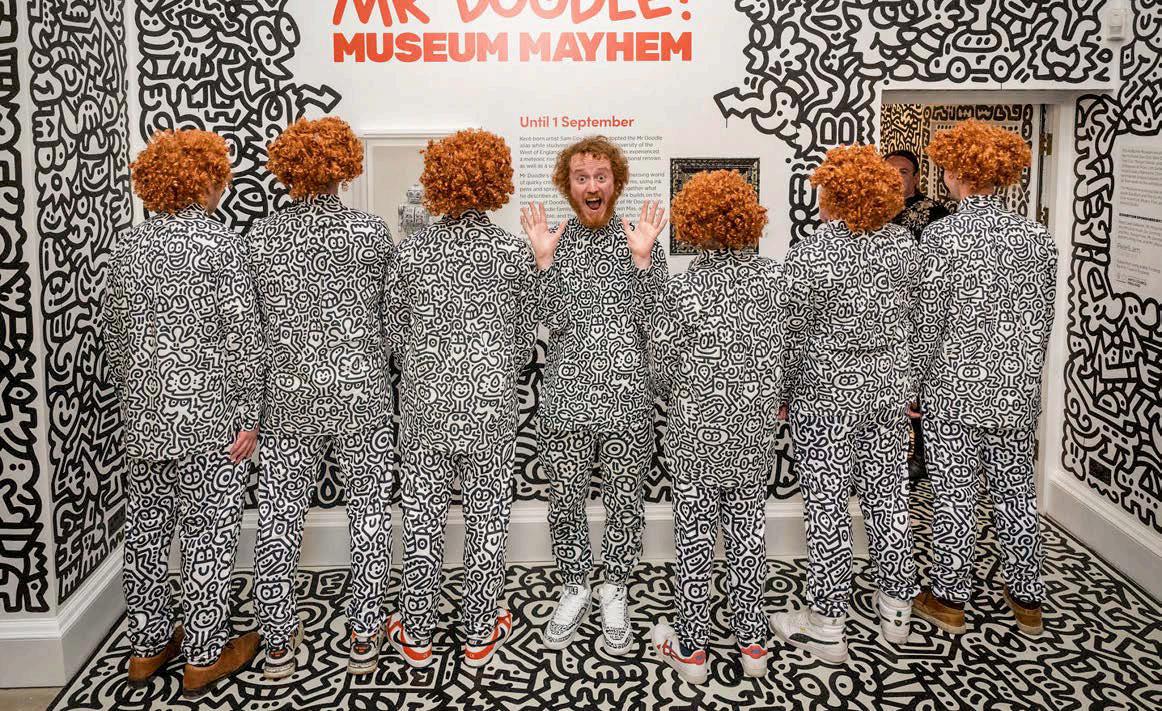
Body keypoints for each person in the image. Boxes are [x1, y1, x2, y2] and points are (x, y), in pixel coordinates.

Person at [103, 129, 264, 697]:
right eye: (220, 177)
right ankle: (203, 655)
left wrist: (137, 401)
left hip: (144, 418)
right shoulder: (222, 245)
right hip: (210, 421)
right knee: (208, 538)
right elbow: (243, 338)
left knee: (145, 534)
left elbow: (115, 337)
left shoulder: (127, 249)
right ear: (206, 181)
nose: (225, 186)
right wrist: (249, 415)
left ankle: (145, 650)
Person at [248, 117, 395, 679]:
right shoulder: (371, 232)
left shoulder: (259, 239)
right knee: (369, 513)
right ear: (343, 168)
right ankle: (364, 636)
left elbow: (253, 326)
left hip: (288, 393)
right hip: (361, 390)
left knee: (279, 516)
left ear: (286, 170)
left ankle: (278, 646)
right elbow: (390, 317)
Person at [384, 129, 537, 669]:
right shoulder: (513, 252)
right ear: (495, 181)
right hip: (491, 404)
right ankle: (478, 632)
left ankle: (417, 632)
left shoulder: (410, 252)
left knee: (422, 517)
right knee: (487, 518)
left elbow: (394, 334)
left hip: (425, 403)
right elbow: (524, 338)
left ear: (437, 181)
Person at [770, 144, 920, 664]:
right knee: (889, 497)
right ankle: (896, 611)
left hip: (826, 394)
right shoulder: (904, 245)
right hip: (888, 392)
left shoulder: (812, 252)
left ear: (834, 195)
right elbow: (917, 322)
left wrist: (783, 393)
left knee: (828, 507)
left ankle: (827, 624)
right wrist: (910, 386)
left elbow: (789, 333)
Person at [520, 135, 668, 655]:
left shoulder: (638, 238)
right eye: (581, 177)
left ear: (615, 182)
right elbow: (548, 321)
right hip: (566, 401)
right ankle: (576, 585)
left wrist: (644, 262)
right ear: (568, 185)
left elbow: (655, 321)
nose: (592, 185)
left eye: (600, 176)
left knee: (626, 504)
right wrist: (543, 263)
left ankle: (614, 588)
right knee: (565, 502)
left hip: (628, 401)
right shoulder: (554, 242)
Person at [911, 119, 1057, 638]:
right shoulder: (1039, 239)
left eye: (946, 169)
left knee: (955, 495)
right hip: (1016, 390)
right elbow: (1043, 320)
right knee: (1017, 492)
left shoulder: (943, 237)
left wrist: (912, 385)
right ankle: (1028, 601)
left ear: (956, 172)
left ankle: (949, 600)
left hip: (953, 389)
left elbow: (927, 323)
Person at [645, 170, 784, 684]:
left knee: (694, 538)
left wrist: (675, 393)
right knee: (749, 534)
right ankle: (752, 645)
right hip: (753, 431)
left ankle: (693, 651)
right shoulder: (776, 280)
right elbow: (788, 354)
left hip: (695, 432)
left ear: (693, 223)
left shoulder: (682, 289)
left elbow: (661, 367)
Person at [885, 148, 952, 482]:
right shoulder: (877, 211)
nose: (896, 177)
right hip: (889, 308)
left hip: (925, 306)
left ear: (916, 176)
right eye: (890, 171)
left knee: (920, 384)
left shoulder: (934, 213)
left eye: (903, 172)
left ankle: (923, 455)